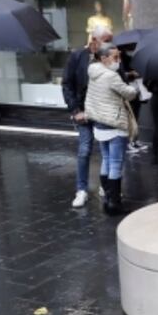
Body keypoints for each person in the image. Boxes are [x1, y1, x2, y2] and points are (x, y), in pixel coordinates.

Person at [84, 43, 139, 214]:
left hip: (100, 123)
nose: (118, 60)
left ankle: (108, 198)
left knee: (106, 159)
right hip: (114, 124)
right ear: (104, 58)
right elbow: (129, 94)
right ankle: (114, 204)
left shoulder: (93, 72)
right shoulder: (111, 76)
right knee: (115, 163)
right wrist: (134, 88)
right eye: (115, 57)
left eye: (119, 56)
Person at [62, 31, 112, 208]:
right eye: (106, 40)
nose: (109, 43)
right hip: (83, 110)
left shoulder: (109, 56)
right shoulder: (78, 56)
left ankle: (105, 185)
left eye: (110, 40)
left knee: (106, 150)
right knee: (85, 149)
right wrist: (75, 110)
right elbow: (67, 83)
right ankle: (81, 189)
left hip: (102, 110)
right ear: (94, 40)